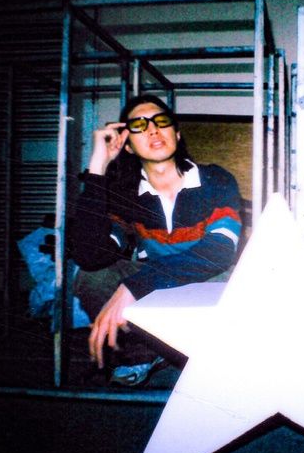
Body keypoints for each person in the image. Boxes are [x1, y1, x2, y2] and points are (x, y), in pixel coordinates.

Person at [71, 94, 242, 385]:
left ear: (176, 134)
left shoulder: (215, 179)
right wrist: (98, 168)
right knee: (92, 277)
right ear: (126, 144)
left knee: (239, 282)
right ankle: (144, 352)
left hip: (209, 278)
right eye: (139, 125)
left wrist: (134, 286)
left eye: (161, 121)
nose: (153, 129)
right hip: (156, 283)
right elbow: (90, 256)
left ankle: (200, 356)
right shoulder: (126, 195)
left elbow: (219, 251)